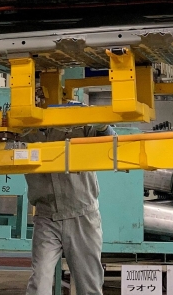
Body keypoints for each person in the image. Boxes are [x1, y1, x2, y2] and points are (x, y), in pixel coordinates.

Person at [23, 125, 111, 295]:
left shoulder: (77, 122)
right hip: (46, 217)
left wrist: (103, 126)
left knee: (89, 286)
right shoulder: (25, 130)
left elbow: (109, 141)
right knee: (39, 283)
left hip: (82, 214)